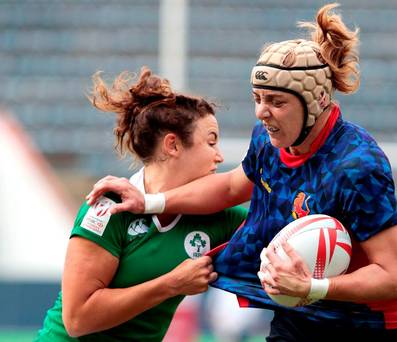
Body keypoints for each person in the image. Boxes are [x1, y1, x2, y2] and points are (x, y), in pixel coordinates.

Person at [87, 3, 397, 340]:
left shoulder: (358, 165)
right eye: (257, 98)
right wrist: (150, 201)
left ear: (318, 99)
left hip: (371, 327)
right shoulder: (268, 141)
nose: (262, 112)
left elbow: (394, 278)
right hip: (299, 317)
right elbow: (232, 187)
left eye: (277, 101)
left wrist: (312, 286)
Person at [35, 67, 248, 341]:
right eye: (211, 142)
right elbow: (78, 319)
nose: (219, 156)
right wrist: (171, 284)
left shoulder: (220, 218)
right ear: (172, 145)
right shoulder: (109, 206)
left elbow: (276, 231)